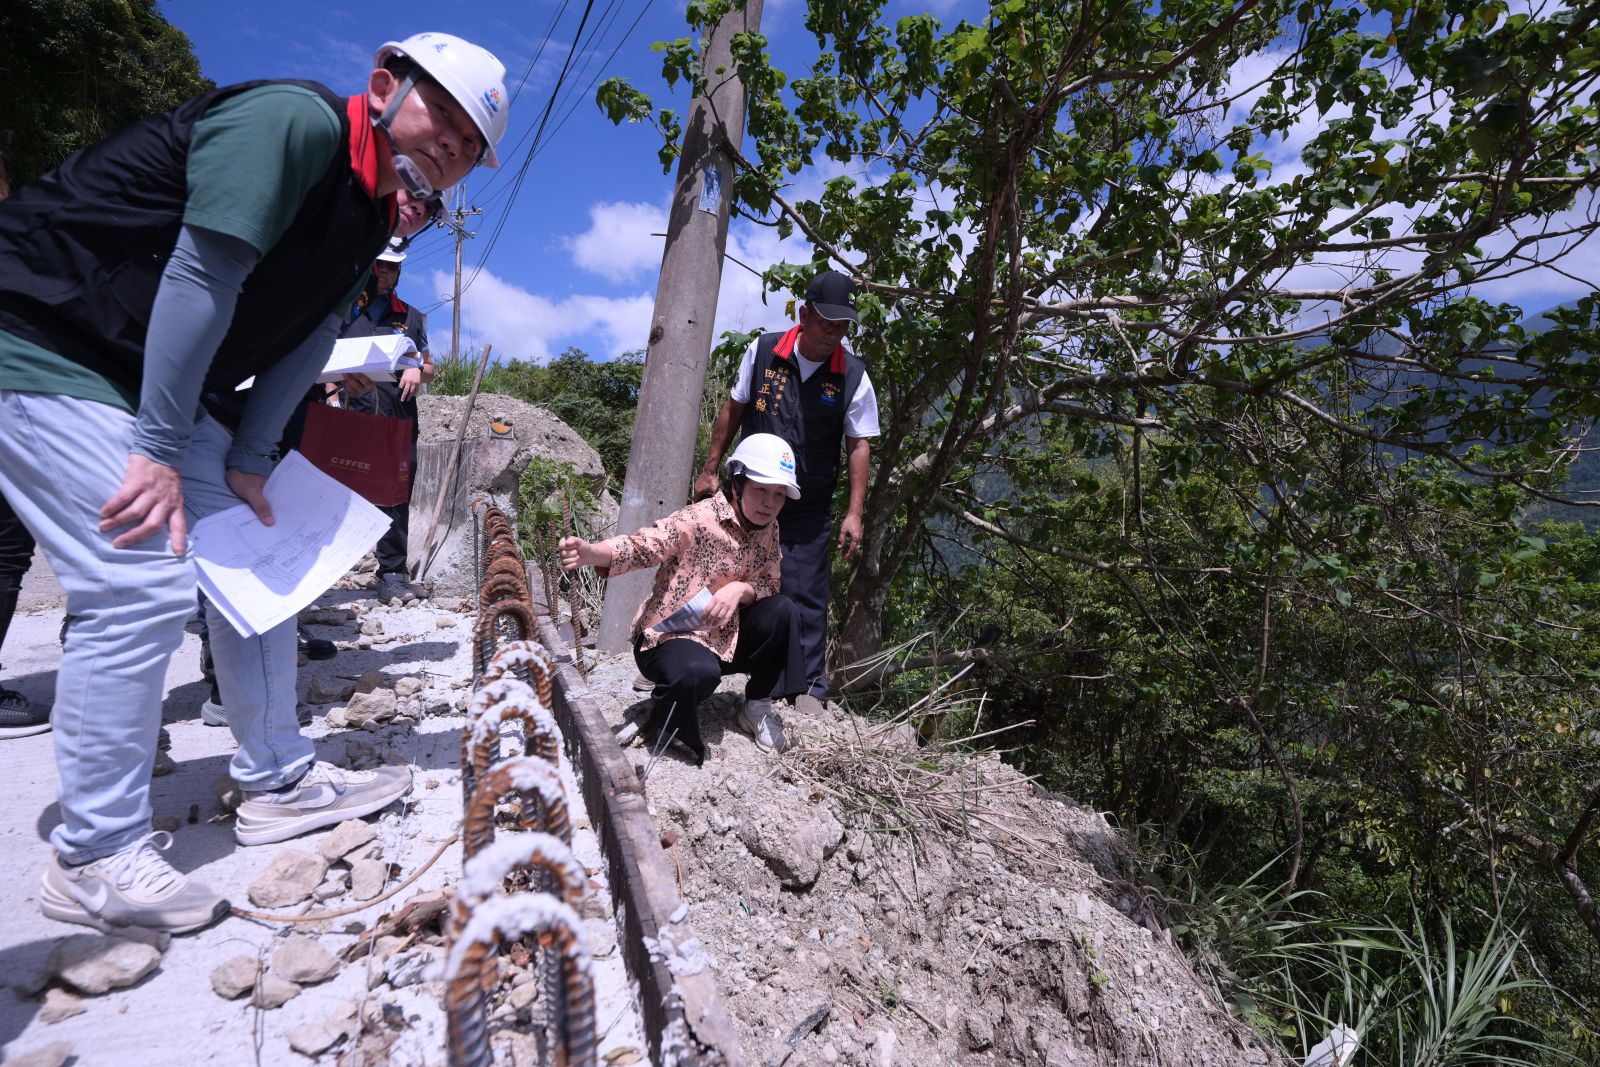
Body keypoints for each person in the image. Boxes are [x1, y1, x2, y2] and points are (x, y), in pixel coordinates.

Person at [0, 31, 510, 934]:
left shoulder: (372, 210)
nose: (453, 147)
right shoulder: (294, 124)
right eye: (447, 117)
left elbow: (309, 338)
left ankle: (277, 775)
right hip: (45, 332)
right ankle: (93, 855)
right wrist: (158, 445)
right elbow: (205, 271)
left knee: (256, 555)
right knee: (138, 581)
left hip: (155, 376)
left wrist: (249, 459)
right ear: (385, 86)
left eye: (472, 145)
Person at [692, 270, 880, 715]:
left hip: (806, 505)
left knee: (804, 592)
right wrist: (709, 468)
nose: (833, 334)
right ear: (803, 313)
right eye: (825, 324)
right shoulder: (762, 352)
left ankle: (807, 688)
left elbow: (859, 443)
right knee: (711, 575)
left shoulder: (852, 375)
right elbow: (733, 409)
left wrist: (855, 512)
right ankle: (683, 657)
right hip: (746, 499)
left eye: (842, 327)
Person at [563, 434, 805, 764]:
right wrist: (593, 553)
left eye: (779, 494)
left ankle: (757, 707)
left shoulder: (769, 528)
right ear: (738, 483)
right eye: (761, 489)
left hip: (725, 635)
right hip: (672, 635)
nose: (769, 502)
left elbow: (770, 584)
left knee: (783, 611)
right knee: (696, 673)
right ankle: (662, 711)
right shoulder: (700, 518)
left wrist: (741, 590)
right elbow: (645, 545)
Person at [339, 242, 433, 595]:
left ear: (398, 273)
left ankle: (392, 573)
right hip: (346, 408)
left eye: (390, 267)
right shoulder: (343, 308)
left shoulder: (411, 316)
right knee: (327, 486)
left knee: (395, 489)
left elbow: (429, 366)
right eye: (378, 264)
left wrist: (417, 371)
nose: (383, 272)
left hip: (397, 411)